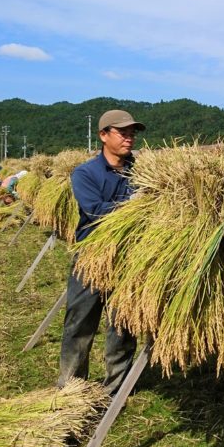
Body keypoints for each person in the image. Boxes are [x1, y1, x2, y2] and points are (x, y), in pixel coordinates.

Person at [57, 109, 145, 395]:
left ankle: (117, 387)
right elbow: (95, 210)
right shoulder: (85, 173)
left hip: (130, 256)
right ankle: (71, 386)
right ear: (104, 135)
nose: (129, 139)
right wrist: (136, 204)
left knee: (124, 323)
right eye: (123, 133)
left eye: (132, 133)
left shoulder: (142, 170)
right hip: (93, 255)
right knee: (80, 321)